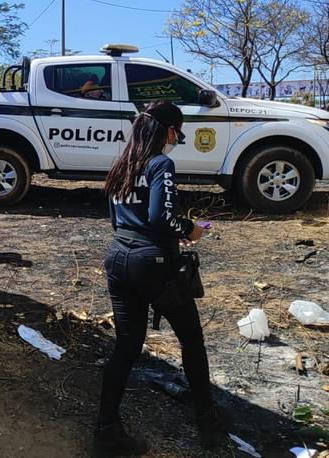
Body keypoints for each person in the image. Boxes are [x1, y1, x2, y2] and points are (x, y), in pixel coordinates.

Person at [94, 102, 231, 456]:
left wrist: (163, 233)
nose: (176, 141)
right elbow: (160, 217)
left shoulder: (122, 163)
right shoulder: (160, 164)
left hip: (118, 258)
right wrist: (189, 229)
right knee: (191, 339)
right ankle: (208, 420)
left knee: (126, 346)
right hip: (153, 266)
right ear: (168, 131)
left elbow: (118, 219)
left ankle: (106, 430)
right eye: (178, 134)